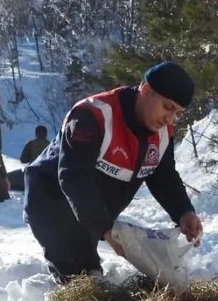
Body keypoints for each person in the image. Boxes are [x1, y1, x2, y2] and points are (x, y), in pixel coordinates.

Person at [24, 62, 203, 281]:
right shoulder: (93, 115)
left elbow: (163, 176)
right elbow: (74, 177)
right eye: (167, 107)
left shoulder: (163, 132)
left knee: (89, 269)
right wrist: (105, 229)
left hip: (91, 207)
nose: (170, 118)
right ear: (146, 90)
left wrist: (184, 211)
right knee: (82, 276)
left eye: (178, 113)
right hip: (52, 198)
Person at [8, 124, 50, 191]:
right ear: (46, 135)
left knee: (8, 177)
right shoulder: (51, 145)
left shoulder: (31, 144)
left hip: (32, 175)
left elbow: (23, 159)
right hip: (47, 178)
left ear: (36, 134)